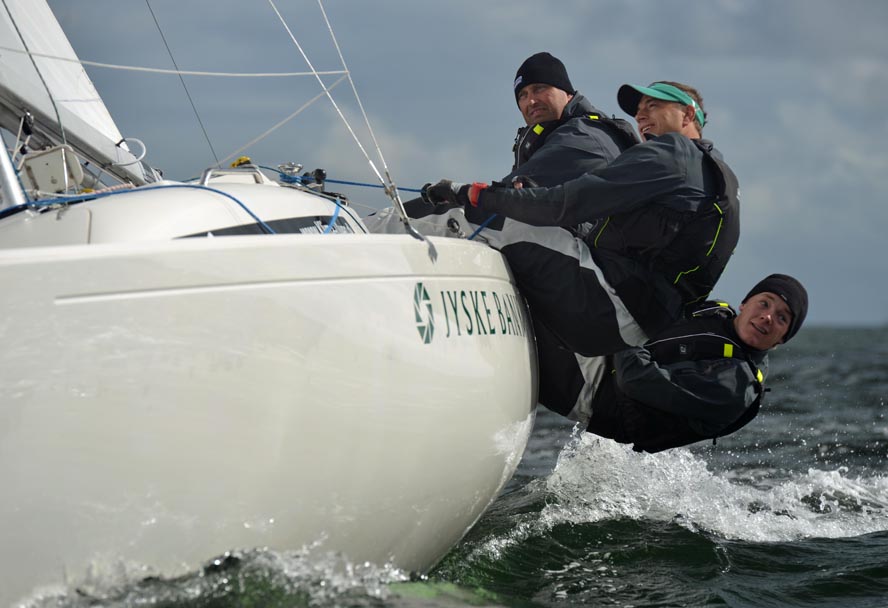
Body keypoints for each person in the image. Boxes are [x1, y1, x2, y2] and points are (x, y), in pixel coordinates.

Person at [426, 81, 739, 358]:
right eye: (639, 110)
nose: (640, 116)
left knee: (486, 216)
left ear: (687, 115)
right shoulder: (715, 174)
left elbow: (564, 205)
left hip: (607, 306)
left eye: (653, 106)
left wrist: (468, 194)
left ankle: (395, 261)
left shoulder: (674, 153)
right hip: (636, 324)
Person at [363, 52, 638, 236]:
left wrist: (454, 192)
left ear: (567, 92)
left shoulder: (585, 137)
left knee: (462, 214)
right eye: (523, 95)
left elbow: (503, 201)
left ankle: (360, 230)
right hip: (585, 258)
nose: (530, 101)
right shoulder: (562, 133)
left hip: (600, 270)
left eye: (540, 89)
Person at [539, 274, 808, 453]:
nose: (768, 317)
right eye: (764, 303)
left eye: (782, 318)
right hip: (603, 348)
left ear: (782, 339)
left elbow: (635, 378)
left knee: (531, 327)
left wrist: (619, 321)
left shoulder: (735, 387)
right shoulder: (716, 314)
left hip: (596, 392)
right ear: (744, 303)